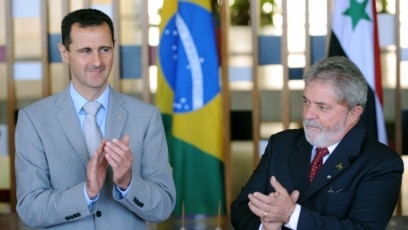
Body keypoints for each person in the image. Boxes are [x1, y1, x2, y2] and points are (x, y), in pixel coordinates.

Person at [15, 8, 176, 229]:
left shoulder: (146, 117)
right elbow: (30, 209)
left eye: (104, 49)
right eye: (85, 51)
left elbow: (164, 207)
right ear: (64, 52)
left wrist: (128, 183)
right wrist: (86, 192)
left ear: (114, 47)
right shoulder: (33, 121)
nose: (97, 61)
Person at [231, 56, 404, 230]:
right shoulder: (281, 144)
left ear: (353, 113)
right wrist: (266, 225)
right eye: (306, 102)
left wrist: (291, 215)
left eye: (322, 107)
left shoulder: (381, 163)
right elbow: (241, 207)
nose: (307, 115)